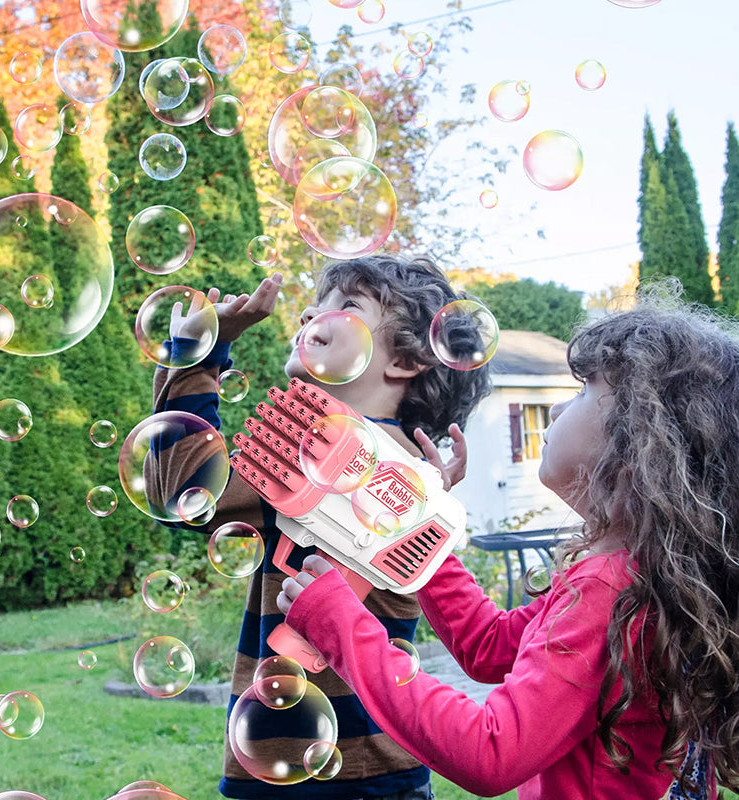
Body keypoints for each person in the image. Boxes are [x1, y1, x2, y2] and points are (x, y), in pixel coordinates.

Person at [278, 285, 739, 800]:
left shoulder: (609, 589)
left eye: (584, 389)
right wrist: (417, 525)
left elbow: (491, 752)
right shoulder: (637, 577)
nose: (561, 409)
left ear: (641, 442)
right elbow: (489, 646)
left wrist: (341, 627)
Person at [149, 253, 491, 799]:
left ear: (405, 358)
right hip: (364, 766)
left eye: (346, 306)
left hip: (324, 771)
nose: (310, 316)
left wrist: (199, 354)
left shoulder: (325, 461)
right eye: (312, 308)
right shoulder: (404, 472)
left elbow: (183, 485)